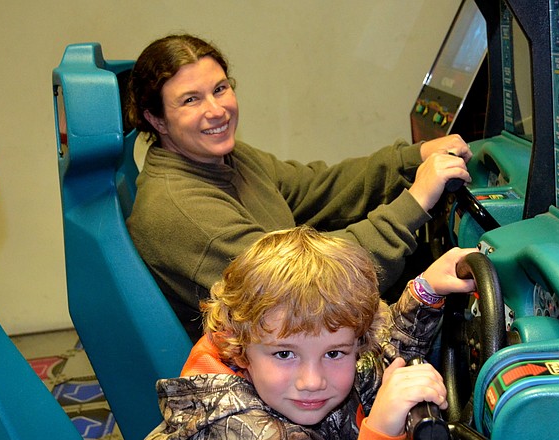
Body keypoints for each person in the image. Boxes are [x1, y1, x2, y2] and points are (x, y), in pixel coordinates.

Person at [137, 225, 478, 440]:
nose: (312, 380)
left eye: (334, 353)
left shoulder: (283, 385)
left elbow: (382, 362)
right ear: (240, 349)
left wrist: (426, 293)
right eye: (285, 354)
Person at [125, 33, 472, 338]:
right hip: (259, 371)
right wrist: (414, 203)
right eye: (191, 100)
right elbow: (313, 291)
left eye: (220, 89)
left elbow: (317, 187)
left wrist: (413, 159)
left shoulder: (225, 159)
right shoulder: (182, 209)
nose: (216, 111)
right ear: (157, 119)